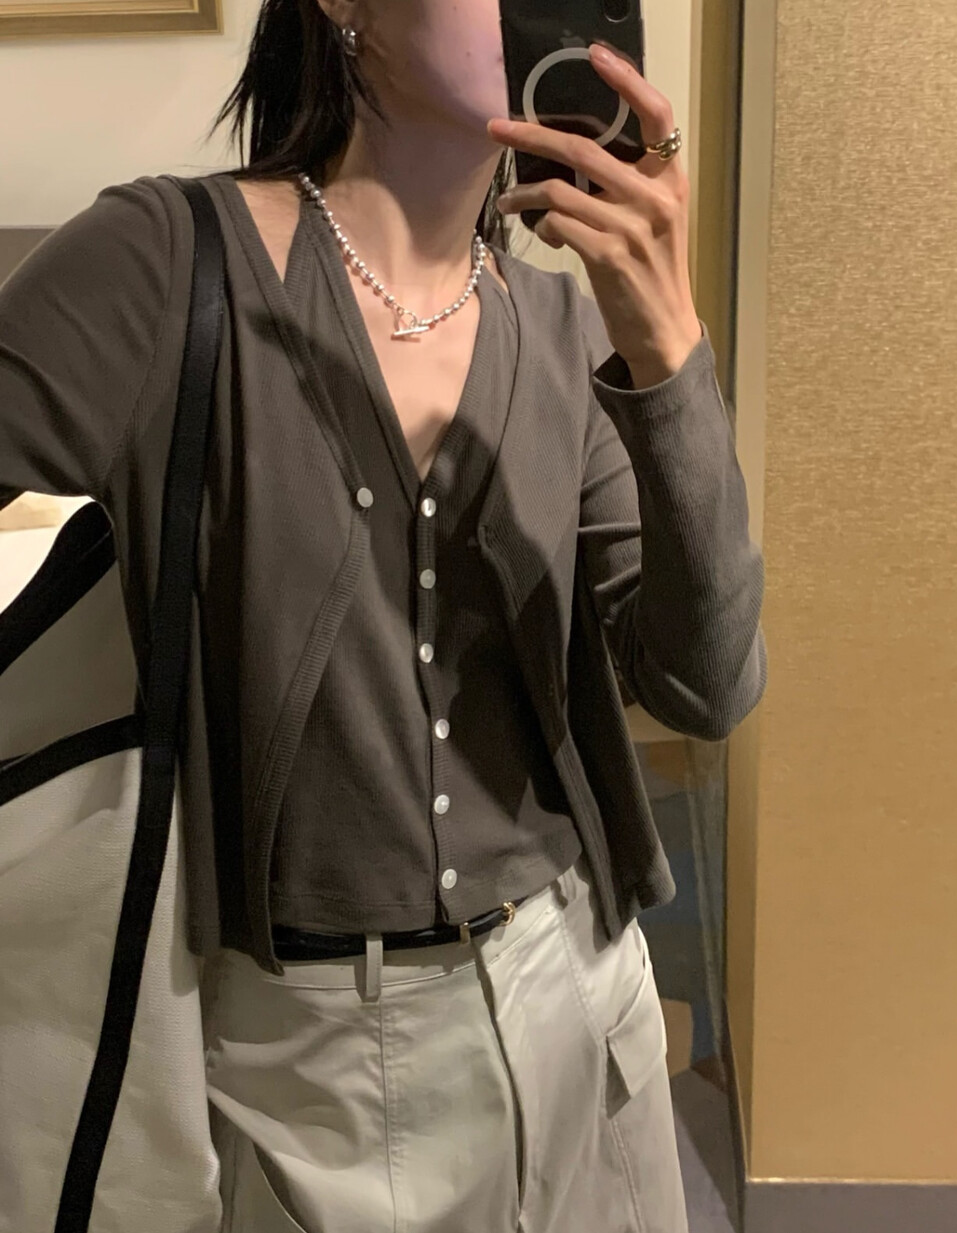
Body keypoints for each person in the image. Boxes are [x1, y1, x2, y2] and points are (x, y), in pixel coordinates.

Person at [0, 1, 767, 1229]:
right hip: (310, 1072)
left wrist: (667, 353)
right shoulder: (160, 264)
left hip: (583, 998)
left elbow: (705, 683)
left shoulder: (564, 327)